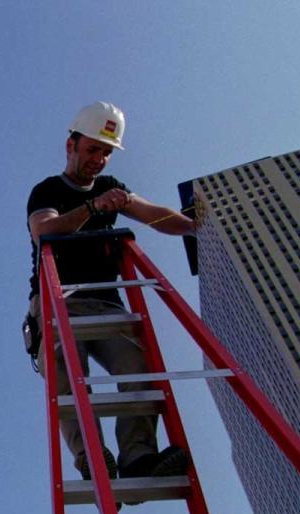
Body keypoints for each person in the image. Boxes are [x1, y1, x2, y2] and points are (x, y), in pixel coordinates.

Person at [26, 102, 196, 481]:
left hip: (106, 301)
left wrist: (194, 227)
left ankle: (138, 458)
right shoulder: (48, 190)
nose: (99, 160)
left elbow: (155, 215)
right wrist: (93, 207)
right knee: (67, 371)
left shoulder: (112, 188)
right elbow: (45, 230)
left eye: (106, 152)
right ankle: (91, 457)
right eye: (92, 150)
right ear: (70, 146)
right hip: (59, 300)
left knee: (140, 369)